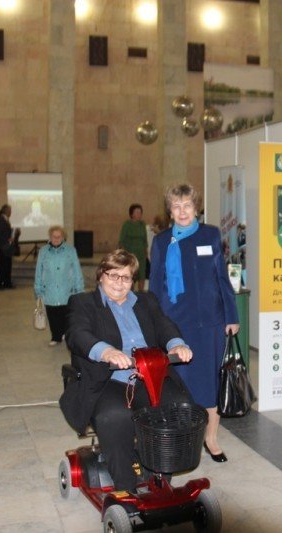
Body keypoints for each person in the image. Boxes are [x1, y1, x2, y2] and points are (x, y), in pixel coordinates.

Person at [63, 249, 194, 492]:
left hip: (149, 376)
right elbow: (77, 334)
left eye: (125, 277)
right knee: (115, 417)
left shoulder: (146, 300)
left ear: (133, 280)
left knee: (180, 408)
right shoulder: (83, 303)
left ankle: (160, 474)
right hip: (108, 380)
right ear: (101, 275)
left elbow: (163, 325)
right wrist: (106, 351)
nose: (119, 283)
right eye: (113, 275)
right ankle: (125, 486)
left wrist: (176, 344)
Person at [149, 183, 239, 463]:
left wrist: (231, 315)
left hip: (210, 324)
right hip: (176, 326)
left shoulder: (210, 234)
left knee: (210, 384)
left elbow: (221, 277)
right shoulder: (162, 241)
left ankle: (211, 439)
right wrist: (155, 325)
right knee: (181, 386)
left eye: (187, 205)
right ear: (170, 211)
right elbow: (155, 286)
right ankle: (182, 440)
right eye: (176, 206)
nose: (182, 211)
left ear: (196, 208)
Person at [34, 225, 84, 346]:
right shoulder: (43, 251)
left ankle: (64, 333)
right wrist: (38, 288)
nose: (56, 239)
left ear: (63, 237)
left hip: (66, 288)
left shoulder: (70, 250)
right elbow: (39, 271)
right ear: (50, 237)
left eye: (59, 236)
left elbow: (77, 270)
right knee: (52, 314)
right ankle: (55, 337)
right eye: (54, 236)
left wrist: (79, 288)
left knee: (65, 313)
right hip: (49, 289)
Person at [118, 203, 148, 291]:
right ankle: (130, 293)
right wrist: (124, 254)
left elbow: (145, 240)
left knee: (142, 275)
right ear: (131, 214)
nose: (139, 214)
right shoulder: (127, 224)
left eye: (140, 212)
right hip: (130, 254)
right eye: (137, 212)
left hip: (141, 255)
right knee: (131, 275)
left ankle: (141, 294)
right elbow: (121, 240)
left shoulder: (142, 224)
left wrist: (146, 252)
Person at [0, 204, 15, 289]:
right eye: (9, 210)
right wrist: (7, 239)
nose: (10, 212)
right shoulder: (1, 220)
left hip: (6, 247)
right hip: (2, 247)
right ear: (5, 210)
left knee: (7, 266)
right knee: (2, 267)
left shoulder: (5, 219)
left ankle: (7, 282)